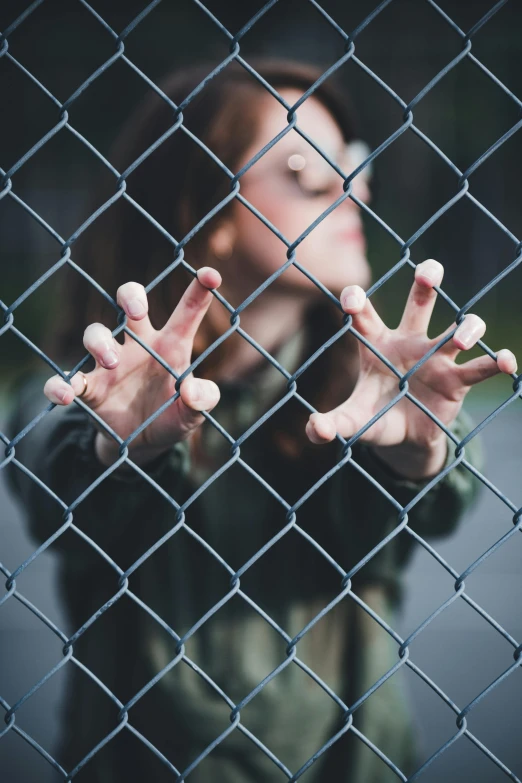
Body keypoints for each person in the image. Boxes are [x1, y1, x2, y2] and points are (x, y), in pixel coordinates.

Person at [6, 58, 516, 782]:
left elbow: (438, 490)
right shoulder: (82, 385)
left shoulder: (364, 397)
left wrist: (417, 449)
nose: (354, 189)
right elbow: (43, 458)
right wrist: (113, 445)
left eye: (354, 164)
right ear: (207, 213)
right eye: (309, 171)